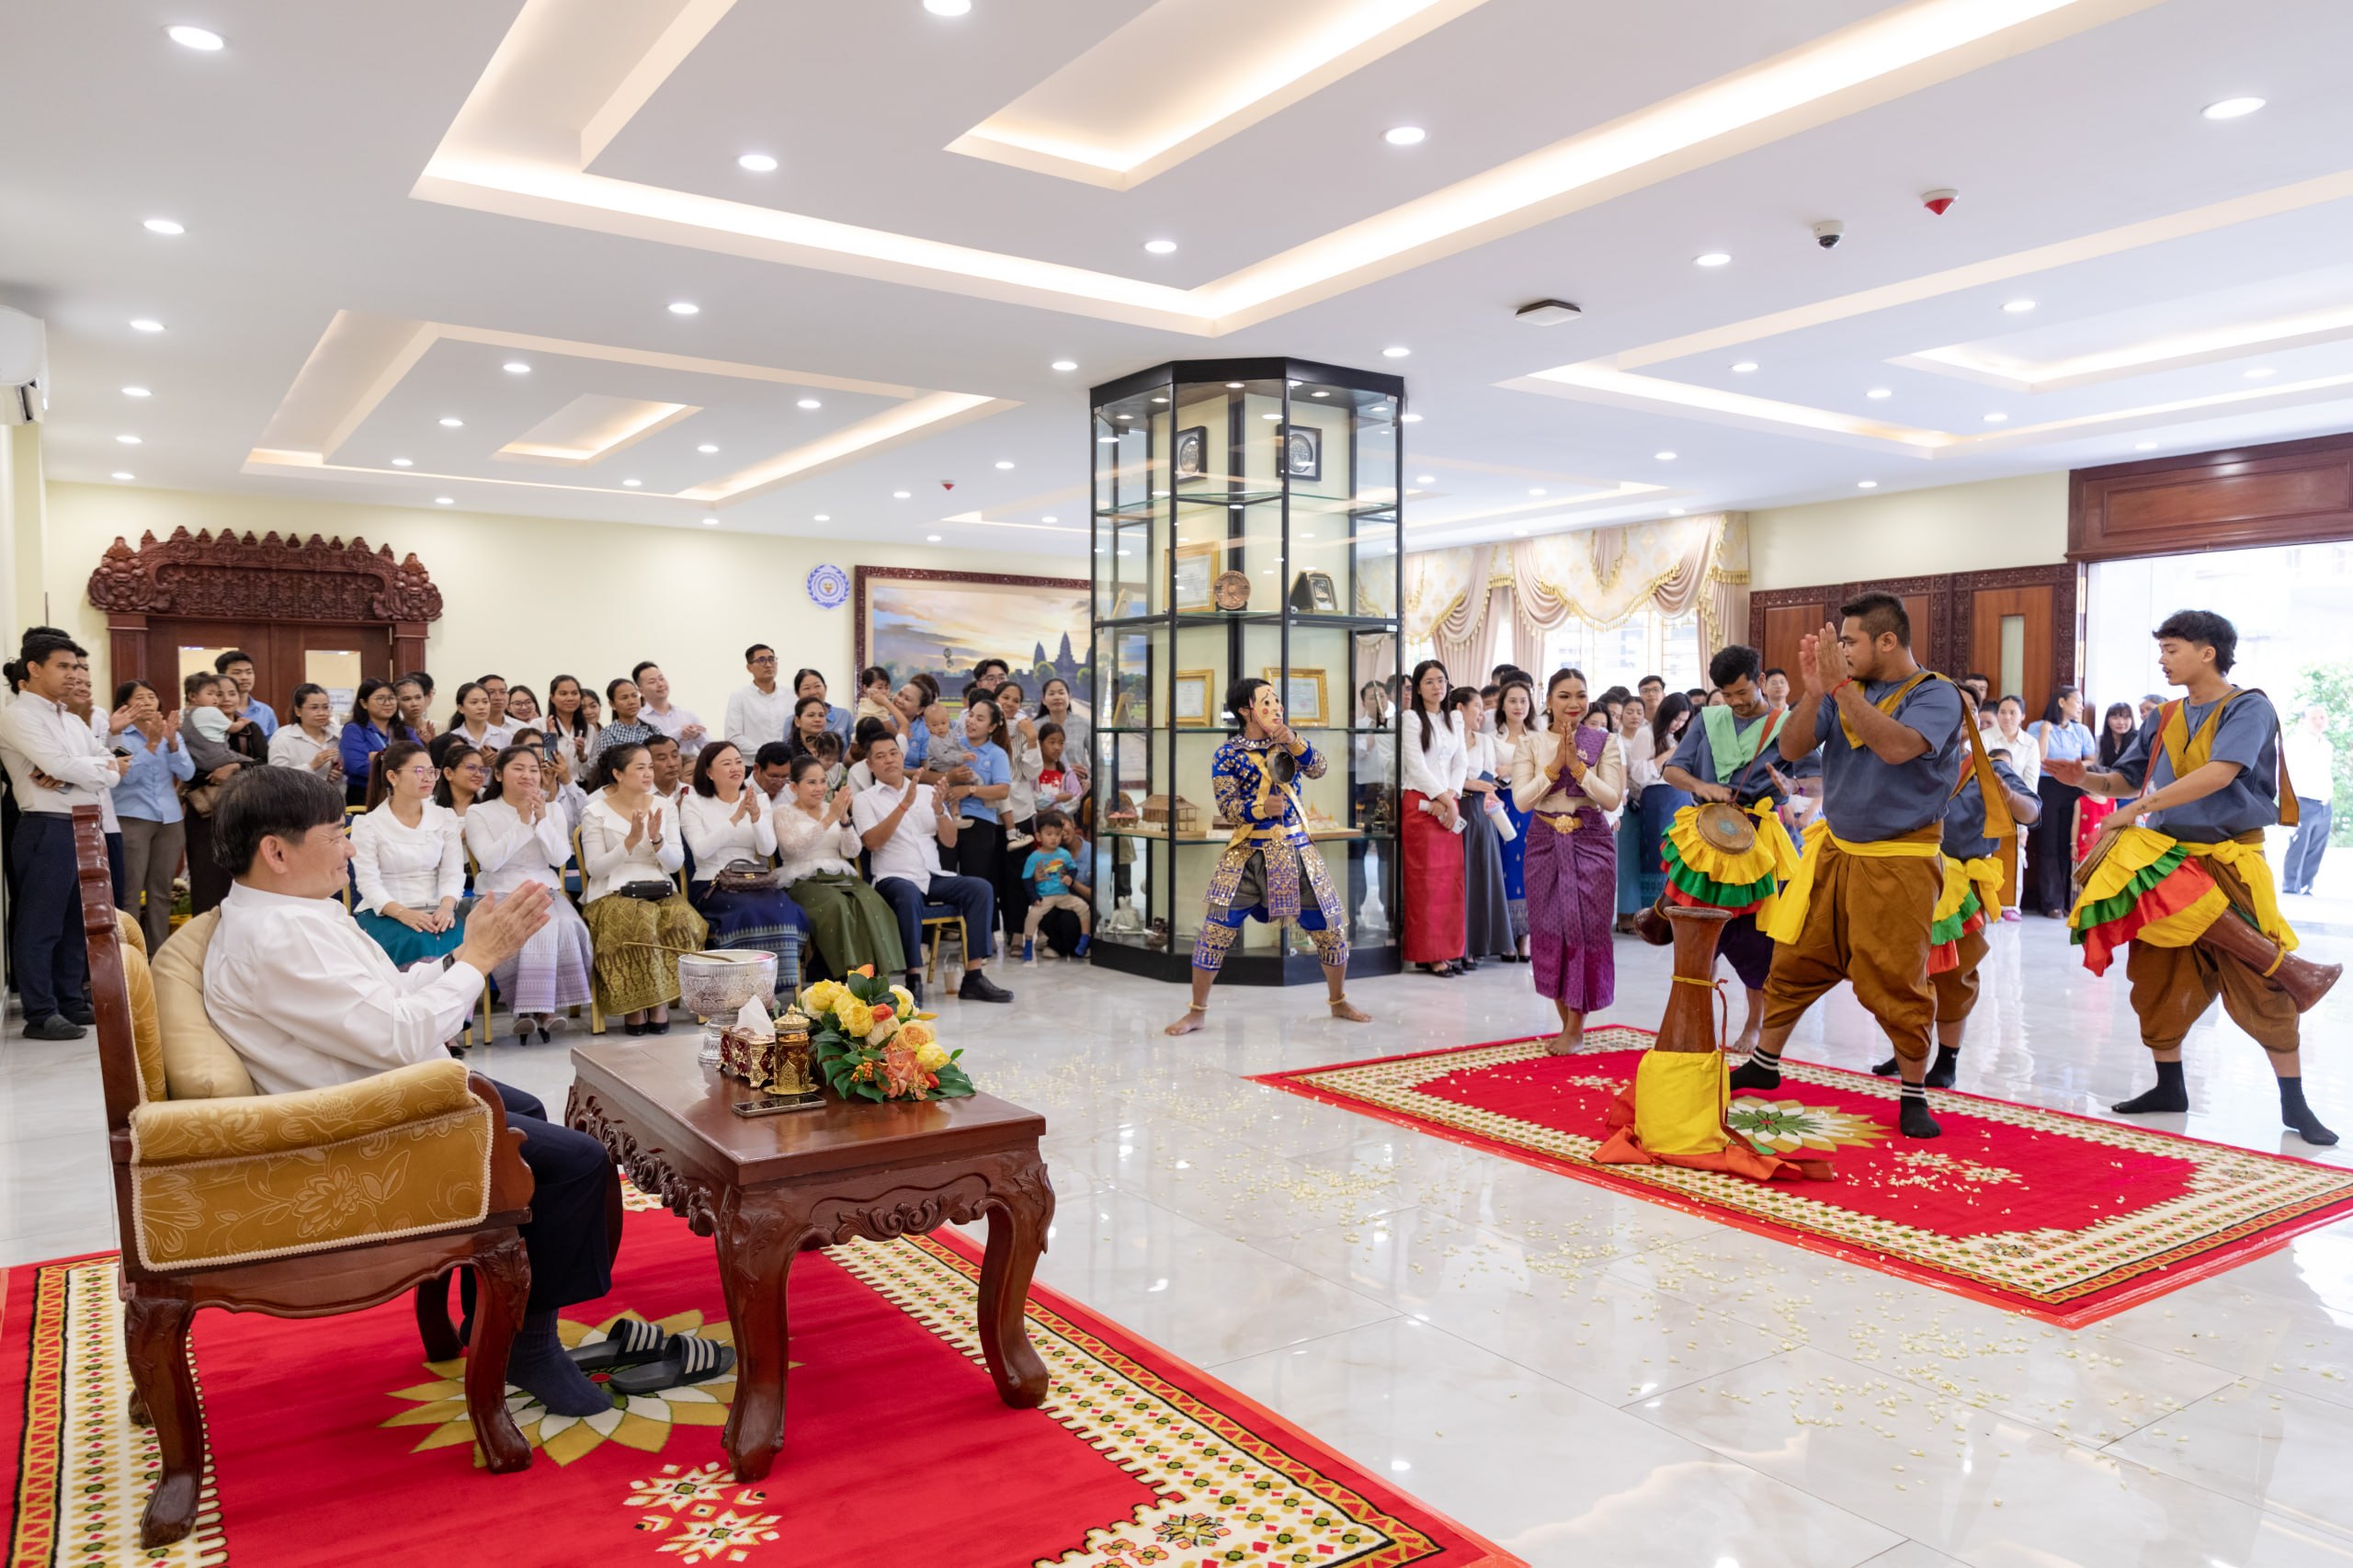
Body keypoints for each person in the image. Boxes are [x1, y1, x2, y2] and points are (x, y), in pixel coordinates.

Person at [199, 766, 627, 1417]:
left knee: (527, 1112)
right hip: (368, 1126)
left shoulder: (293, 912)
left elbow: (388, 995)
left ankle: (492, 1311)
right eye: (336, 835)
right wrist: (480, 960)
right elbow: (399, 1035)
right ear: (277, 852)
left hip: (379, 1084)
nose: (348, 848)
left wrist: (459, 959)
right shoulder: (279, 935)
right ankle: (530, 1347)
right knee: (579, 1164)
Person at [2048, 610, 2338, 1144]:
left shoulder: (2248, 707)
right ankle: (2169, 1087)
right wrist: (2085, 778)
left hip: (2230, 861)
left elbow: (2219, 774)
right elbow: (2128, 778)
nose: (2162, 660)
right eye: (2161, 649)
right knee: (2158, 977)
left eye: (2172, 649)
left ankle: (2295, 1104)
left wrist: (2138, 810)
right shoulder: (2164, 716)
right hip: (2170, 861)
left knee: (2259, 981)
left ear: (2208, 653)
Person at [1735, 593, 1970, 1141]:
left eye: (1849, 641)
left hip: (1900, 862)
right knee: (1794, 957)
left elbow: (1897, 748)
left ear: (1887, 641)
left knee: (1895, 978)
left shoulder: (1936, 693)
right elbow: (1791, 745)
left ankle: (1913, 1094)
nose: (1841, 651)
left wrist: (1839, 688)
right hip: (1835, 852)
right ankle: (1765, 1063)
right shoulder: (1846, 689)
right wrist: (1818, 692)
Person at [1164, 678, 1367, 1034]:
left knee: (1332, 929)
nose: (1277, 707)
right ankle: (1197, 1011)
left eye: (1276, 700)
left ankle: (1338, 1001)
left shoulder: (1290, 743)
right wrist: (1260, 808)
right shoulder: (1227, 754)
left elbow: (1319, 768)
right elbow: (1228, 808)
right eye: (1267, 702)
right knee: (1214, 932)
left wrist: (1294, 740)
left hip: (1296, 851)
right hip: (1247, 854)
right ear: (1246, 711)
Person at [1656, 644, 1800, 1055]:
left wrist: (1792, 786)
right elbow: (1672, 770)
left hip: (1758, 841)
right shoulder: (1708, 719)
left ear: (1760, 681)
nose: (1735, 702)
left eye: (1743, 692)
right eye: (1727, 694)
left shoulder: (1787, 725)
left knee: (1757, 940)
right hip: (1705, 839)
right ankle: (1694, 1021)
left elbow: (1815, 779)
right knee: (1696, 937)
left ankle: (1755, 1024)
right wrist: (1701, 786)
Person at [1871, 746, 2039, 1087]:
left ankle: (1947, 1059)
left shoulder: (1986, 767)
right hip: (1907, 876)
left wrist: (2009, 798)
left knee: (1954, 975)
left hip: (1961, 884)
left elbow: (2032, 811)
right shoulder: (1904, 758)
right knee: (1902, 972)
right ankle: (1908, 1048)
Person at [0, 637, 130, 1037]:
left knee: (78, 921)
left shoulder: (72, 720)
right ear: (34, 669)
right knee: (42, 923)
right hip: (46, 824)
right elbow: (62, 765)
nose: (74, 674)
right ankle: (41, 1012)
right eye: (63, 666)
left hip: (87, 823)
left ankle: (71, 999)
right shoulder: (18, 715)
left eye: (77, 667)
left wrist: (79, 772)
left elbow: (115, 766)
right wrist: (88, 770)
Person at [1505, 668, 1625, 1052]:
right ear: (1548, 700)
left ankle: (1576, 1026)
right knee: (1549, 929)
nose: (1574, 703)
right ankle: (1566, 1021)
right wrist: (1555, 766)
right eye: (1564, 696)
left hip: (1591, 840)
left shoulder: (1605, 742)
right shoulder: (1530, 744)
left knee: (1587, 929)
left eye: (1581, 695)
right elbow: (1522, 801)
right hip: (1544, 841)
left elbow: (1612, 798)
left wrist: (1578, 769)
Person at [851, 733, 1012, 1003]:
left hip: (932, 875)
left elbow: (950, 841)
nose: (889, 760)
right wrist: (903, 805)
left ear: (902, 756)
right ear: (870, 764)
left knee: (980, 888)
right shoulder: (865, 799)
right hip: (893, 877)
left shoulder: (926, 792)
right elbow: (873, 842)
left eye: (893, 753)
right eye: (880, 756)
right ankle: (913, 978)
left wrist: (939, 812)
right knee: (908, 895)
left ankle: (974, 977)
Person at [464, 744, 594, 1042]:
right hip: (498, 891)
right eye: (519, 769)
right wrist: (523, 823)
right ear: (499, 774)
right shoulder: (479, 811)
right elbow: (490, 861)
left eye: (534, 769)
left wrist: (542, 820)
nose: (528, 775)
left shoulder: (553, 809)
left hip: (543, 888)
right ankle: (530, 1011)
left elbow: (559, 858)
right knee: (531, 926)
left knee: (565, 923)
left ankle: (544, 1009)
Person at [578, 741, 707, 1034]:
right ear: (618, 774)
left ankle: (660, 1004)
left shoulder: (664, 806)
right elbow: (595, 868)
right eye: (640, 768)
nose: (649, 773)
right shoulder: (594, 811)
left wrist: (657, 840)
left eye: (650, 767)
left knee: (684, 918)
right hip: (611, 890)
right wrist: (629, 842)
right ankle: (635, 1007)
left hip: (658, 886)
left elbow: (675, 864)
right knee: (637, 919)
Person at [764, 751, 906, 980]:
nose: (819, 788)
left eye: (823, 781)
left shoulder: (833, 807)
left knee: (871, 901)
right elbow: (795, 849)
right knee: (837, 905)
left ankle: (873, 974)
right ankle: (845, 973)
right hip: (803, 879)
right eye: (811, 782)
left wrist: (844, 820)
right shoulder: (783, 812)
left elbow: (852, 851)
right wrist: (830, 817)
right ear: (794, 787)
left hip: (839, 875)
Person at [679, 741, 807, 988]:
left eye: (738, 762)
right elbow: (701, 851)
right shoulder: (693, 803)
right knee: (747, 909)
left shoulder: (759, 799)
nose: (735, 768)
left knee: (785, 907)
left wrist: (756, 816)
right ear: (709, 772)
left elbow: (767, 850)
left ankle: (771, 985)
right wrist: (737, 817)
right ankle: (741, 986)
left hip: (753, 880)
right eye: (726, 763)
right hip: (712, 883)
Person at [350, 739, 468, 974]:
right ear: (392, 777)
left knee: (461, 938)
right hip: (385, 911)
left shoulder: (444, 818)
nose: (428, 778)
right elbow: (368, 882)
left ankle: (452, 1000)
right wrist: (403, 914)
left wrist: (446, 908)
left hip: (437, 910)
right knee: (418, 939)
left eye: (432, 771)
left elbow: (452, 873)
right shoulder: (368, 824)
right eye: (418, 771)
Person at [105, 678, 195, 952]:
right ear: (125, 704)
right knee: (130, 892)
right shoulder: (118, 735)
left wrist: (172, 742)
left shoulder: (170, 732)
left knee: (161, 892)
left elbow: (188, 773)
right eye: (139, 698)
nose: (146, 702)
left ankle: (159, 955)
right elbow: (126, 777)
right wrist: (152, 745)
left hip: (170, 820)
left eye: (151, 697)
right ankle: (129, 956)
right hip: (132, 818)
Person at [1400, 659, 1468, 977]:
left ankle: (1449, 949)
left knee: (1450, 883)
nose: (1437, 686)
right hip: (1420, 806)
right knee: (1425, 884)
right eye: (1429, 681)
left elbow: (1461, 763)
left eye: (1441, 680)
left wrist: (1451, 797)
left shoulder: (1455, 717)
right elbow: (1416, 767)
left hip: (1448, 804)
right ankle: (1428, 954)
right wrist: (1444, 799)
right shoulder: (1412, 718)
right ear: (1417, 688)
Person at [182, 670, 260, 915]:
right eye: (216, 693)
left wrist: (235, 767)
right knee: (205, 877)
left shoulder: (249, 730)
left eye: (230, 693)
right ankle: (206, 931)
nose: (223, 699)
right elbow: (186, 769)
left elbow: (265, 766)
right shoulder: (192, 727)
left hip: (243, 812)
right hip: (204, 812)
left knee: (244, 876)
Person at [1449, 686, 1514, 969]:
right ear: (1460, 709)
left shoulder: (1486, 741)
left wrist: (1485, 789)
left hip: (1480, 811)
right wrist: (1466, 784)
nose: (1482, 713)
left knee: (1481, 875)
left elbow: (1491, 776)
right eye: (1477, 706)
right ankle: (1458, 945)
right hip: (1454, 807)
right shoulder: (1447, 738)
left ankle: (1478, 944)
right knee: (1458, 878)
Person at [2025, 688, 2096, 917]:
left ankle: (2067, 900)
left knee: (2068, 842)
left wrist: (2073, 767)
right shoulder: (2037, 727)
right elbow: (2038, 758)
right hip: (2047, 786)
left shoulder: (2081, 730)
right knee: (2049, 844)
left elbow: (2091, 759)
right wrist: (2045, 732)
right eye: (2078, 701)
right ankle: (2050, 903)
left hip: (2073, 787)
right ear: (2062, 702)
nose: (2081, 707)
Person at [949, 696, 1014, 924]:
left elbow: (1002, 790)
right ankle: (946, 930)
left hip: (980, 822)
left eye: (979, 718)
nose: (971, 721)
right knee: (946, 876)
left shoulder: (997, 754)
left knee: (976, 879)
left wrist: (969, 790)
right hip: (947, 820)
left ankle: (979, 935)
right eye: (970, 715)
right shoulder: (954, 745)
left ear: (992, 727)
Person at [1634, 694, 1695, 914]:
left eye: (1683, 721)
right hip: (1658, 798)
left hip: (1682, 797)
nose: (1678, 725)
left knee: (1682, 855)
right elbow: (1638, 773)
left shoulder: (1680, 736)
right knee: (1658, 853)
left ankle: (1678, 909)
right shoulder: (1646, 733)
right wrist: (1670, 753)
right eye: (1676, 719)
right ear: (1666, 714)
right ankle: (1654, 912)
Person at [1017, 811, 1091, 962]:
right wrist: (1035, 888)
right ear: (1040, 836)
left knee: (1075, 914)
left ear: (1073, 823)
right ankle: (1035, 943)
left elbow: (1096, 893)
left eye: (1061, 827)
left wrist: (1071, 880)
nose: (1057, 835)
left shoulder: (1079, 853)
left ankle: (1082, 941)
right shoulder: (1037, 856)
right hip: (1048, 897)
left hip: (1070, 897)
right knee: (1039, 914)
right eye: (1050, 833)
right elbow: (1026, 879)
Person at [2283, 705, 2335, 896]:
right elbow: (2284, 774)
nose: (2319, 721)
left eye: (2322, 717)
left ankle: (2306, 887)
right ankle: (2290, 888)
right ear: (2303, 721)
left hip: (2324, 803)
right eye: (2314, 718)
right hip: (2302, 801)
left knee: (2316, 848)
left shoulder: (2327, 745)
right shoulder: (2294, 743)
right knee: (2298, 845)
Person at [2075, 701, 2138, 859]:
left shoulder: (2137, 743)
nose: (2121, 722)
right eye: (2115, 717)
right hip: (2103, 793)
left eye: (2126, 717)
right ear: (2107, 720)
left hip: (2129, 793)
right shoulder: (2099, 741)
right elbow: (2095, 769)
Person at [1612, 693, 1652, 932]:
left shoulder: (1648, 737)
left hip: (1647, 802)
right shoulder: (1615, 740)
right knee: (1625, 860)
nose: (1635, 716)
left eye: (1639, 712)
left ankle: (1642, 913)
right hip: (1624, 804)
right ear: (1621, 715)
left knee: (1643, 859)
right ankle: (1624, 913)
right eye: (1630, 712)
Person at [339, 677, 412, 808]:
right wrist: (402, 767)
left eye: (391, 698)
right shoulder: (354, 729)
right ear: (364, 703)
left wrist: (379, 759)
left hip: (403, 792)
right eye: (380, 698)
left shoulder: (404, 729)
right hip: (365, 795)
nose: (387, 703)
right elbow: (356, 767)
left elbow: (420, 757)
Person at [268, 681, 347, 793]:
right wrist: (312, 766)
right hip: (295, 799)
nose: (322, 713)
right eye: (314, 708)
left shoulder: (337, 736)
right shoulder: (283, 739)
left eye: (326, 707)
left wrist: (337, 775)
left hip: (332, 798)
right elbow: (275, 779)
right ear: (298, 711)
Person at [631, 661, 707, 759]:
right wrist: (679, 732)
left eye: (661, 678)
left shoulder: (687, 715)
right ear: (641, 691)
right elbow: (646, 750)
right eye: (652, 682)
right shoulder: (639, 719)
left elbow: (710, 749)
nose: (660, 684)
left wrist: (697, 736)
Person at [587, 676, 660, 769]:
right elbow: (608, 768)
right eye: (624, 698)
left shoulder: (653, 729)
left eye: (634, 695)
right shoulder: (607, 734)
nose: (632, 702)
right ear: (612, 704)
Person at [213, 650, 278, 737]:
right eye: (237, 673)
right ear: (222, 676)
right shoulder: (213, 709)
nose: (245, 677)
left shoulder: (265, 711)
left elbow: (272, 743)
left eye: (249, 672)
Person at [545, 674, 597, 772]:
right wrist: (550, 740)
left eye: (574, 693)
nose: (570, 698)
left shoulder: (589, 729)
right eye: (563, 694)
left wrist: (582, 757)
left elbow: (592, 772)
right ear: (552, 698)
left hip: (581, 781)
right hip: (552, 781)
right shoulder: (539, 724)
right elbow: (542, 765)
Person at [448, 681, 512, 756]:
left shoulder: (504, 736)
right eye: (474, 702)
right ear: (460, 708)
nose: (481, 707)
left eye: (485, 702)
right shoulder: (452, 737)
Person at [792, 668, 853, 743]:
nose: (813, 692)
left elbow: (854, 746)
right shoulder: (792, 720)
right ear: (797, 693)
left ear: (825, 688)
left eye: (817, 686)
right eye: (806, 688)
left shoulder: (844, 715)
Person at [434, 740, 486, 817]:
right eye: (471, 768)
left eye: (482, 770)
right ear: (448, 773)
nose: (479, 774)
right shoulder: (430, 806)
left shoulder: (490, 805)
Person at [783, 694, 834, 765]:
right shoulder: (786, 750)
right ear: (797, 721)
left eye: (821, 715)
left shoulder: (832, 746)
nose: (817, 719)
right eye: (811, 715)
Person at [393, 675, 438, 748]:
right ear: (396, 702)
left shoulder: (439, 728)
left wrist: (433, 744)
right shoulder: (393, 732)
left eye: (418, 697)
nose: (414, 704)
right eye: (407, 699)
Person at [647, 734, 688, 812]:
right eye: (662, 758)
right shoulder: (639, 797)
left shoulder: (693, 793)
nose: (672, 764)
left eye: (675, 756)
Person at [751, 740, 796, 807]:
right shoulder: (738, 794)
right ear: (757, 768)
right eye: (773, 777)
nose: (779, 784)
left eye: (785, 777)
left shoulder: (793, 794)